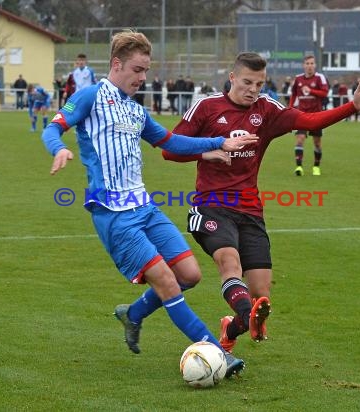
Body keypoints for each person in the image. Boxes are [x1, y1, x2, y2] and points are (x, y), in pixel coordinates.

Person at [40, 30, 259, 377]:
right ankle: (216, 352)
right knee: (167, 283)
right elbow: (51, 129)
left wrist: (217, 144)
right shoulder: (89, 97)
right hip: (114, 214)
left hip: (144, 207)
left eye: (146, 70)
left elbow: (170, 141)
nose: (143, 78)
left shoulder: (135, 111)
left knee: (190, 274)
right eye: (138, 70)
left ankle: (134, 314)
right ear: (116, 64)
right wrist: (60, 148)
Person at [162, 52, 360, 353]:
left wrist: (352, 106)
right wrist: (207, 151)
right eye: (246, 82)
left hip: (250, 210)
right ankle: (240, 322)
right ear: (232, 78)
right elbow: (170, 149)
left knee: (261, 295)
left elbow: (308, 120)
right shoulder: (207, 107)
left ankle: (231, 328)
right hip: (211, 205)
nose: (253, 89)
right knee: (230, 263)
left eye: (259, 83)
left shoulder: (266, 109)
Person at [289, 54, 329, 176]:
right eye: (307, 64)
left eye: (312, 63)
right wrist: (290, 108)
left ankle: (316, 167)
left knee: (317, 142)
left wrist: (311, 91)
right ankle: (299, 167)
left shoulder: (320, 78)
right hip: (301, 115)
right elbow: (294, 94)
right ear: (303, 65)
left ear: (315, 65)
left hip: (317, 115)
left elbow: (325, 93)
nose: (310, 66)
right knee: (300, 140)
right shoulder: (298, 79)